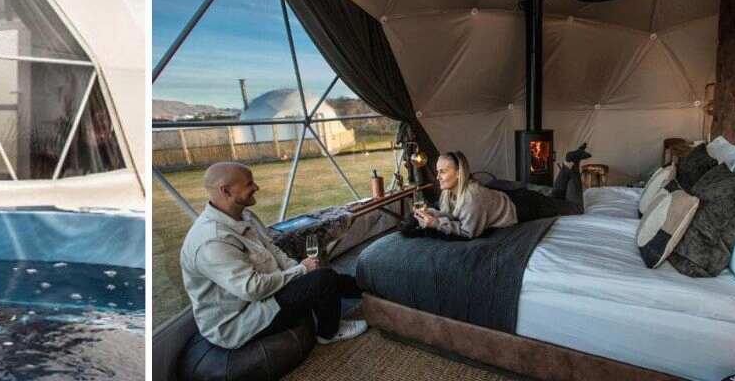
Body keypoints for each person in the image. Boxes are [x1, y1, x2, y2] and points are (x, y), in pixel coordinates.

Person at [179, 161, 365, 351]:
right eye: (249, 183)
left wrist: (300, 270)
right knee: (323, 279)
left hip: (266, 295)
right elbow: (252, 289)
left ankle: (370, 290)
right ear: (226, 191)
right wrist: (302, 269)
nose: (256, 187)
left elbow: (273, 250)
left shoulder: (245, 216)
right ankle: (328, 333)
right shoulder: (212, 241)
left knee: (325, 275)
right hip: (241, 321)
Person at [408, 146, 590, 239]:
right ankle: (566, 166)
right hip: (512, 197)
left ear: (459, 173)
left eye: (443, 172)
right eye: (437, 171)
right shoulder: (447, 193)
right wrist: (430, 213)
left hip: (524, 206)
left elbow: (468, 232)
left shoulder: (472, 196)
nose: (437, 177)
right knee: (555, 199)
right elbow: (450, 214)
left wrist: (435, 225)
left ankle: (573, 165)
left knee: (574, 208)